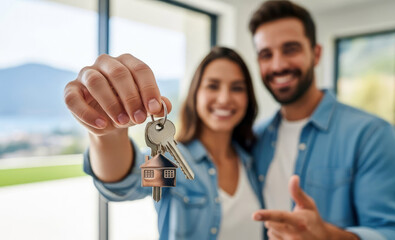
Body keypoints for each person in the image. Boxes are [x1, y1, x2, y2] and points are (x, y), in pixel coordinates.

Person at [248, 1, 395, 240]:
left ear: (316, 54)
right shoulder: (255, 137)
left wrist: (328, 236)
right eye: (266, 55)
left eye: (290, 49)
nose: (278, 65)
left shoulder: (372, 135)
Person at [64, 47, 264, 240]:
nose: (224, 98)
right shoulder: (171, 161)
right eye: (213, 86)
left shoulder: (253, 160)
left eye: (237, 88)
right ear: (195, 94)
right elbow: (124, 183)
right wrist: (109, 134)